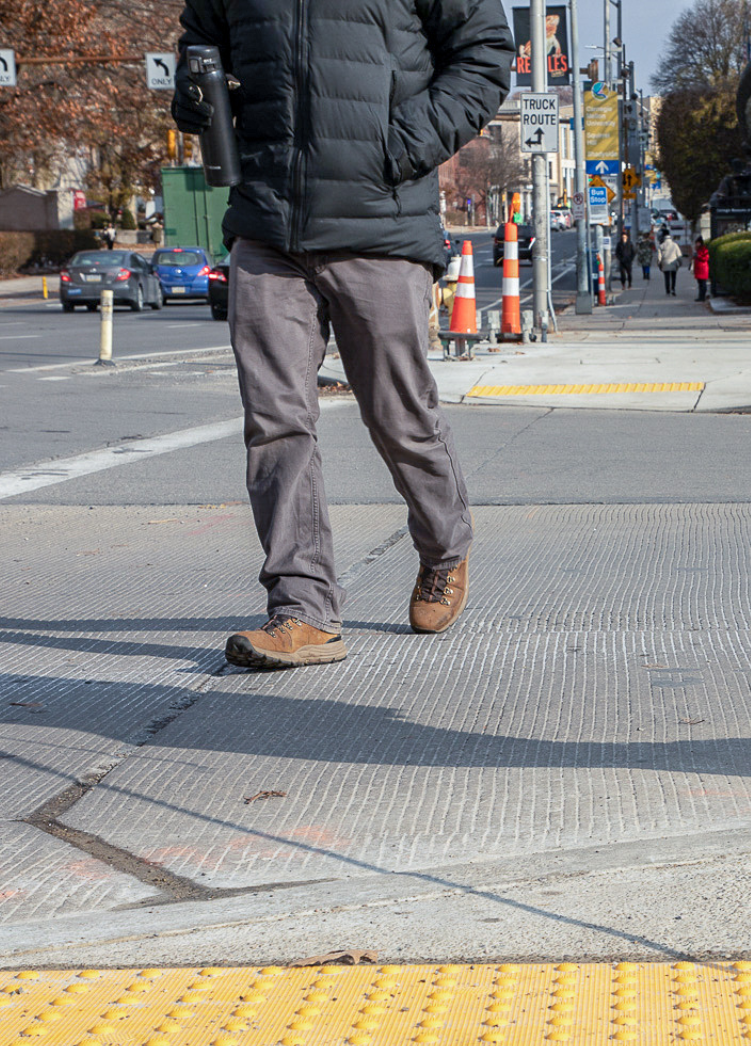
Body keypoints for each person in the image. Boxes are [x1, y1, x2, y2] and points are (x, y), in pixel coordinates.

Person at [172, 0, 511, 669]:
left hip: (379, 222)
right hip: (267, 226)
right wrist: (194, 90)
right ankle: (302, 611)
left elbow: (486, 52)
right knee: (275, 424)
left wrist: (403, 143)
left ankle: (445, 546)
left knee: (398, 414)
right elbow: (200, 41)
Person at [657, 231, 683, 295]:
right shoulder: (675, 245)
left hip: (665, 263)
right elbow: (679, 255)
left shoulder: (661, 246)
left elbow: (659, 257)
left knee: (667, 277)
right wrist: (680, 263)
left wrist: (659, 263)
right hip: (673, 263)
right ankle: (673, 289)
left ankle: (667, 290)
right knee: (673, 276)